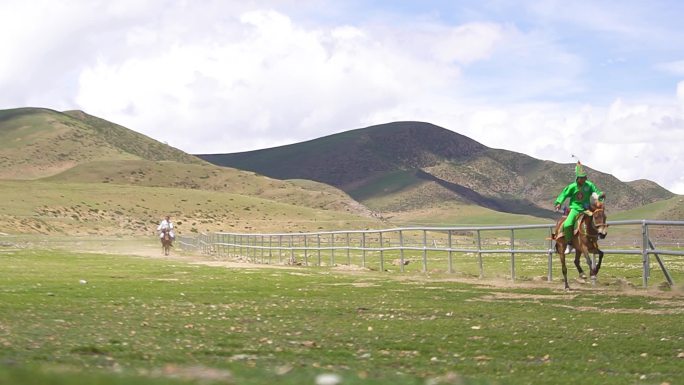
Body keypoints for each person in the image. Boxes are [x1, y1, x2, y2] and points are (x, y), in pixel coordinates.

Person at [554, 161, 605, 254]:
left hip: (586, 208)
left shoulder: (589, 185)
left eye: (584, 178)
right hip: (575, 209)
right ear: (577, 178)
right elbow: (564, 194)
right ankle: (569, 244)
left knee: (596, 220)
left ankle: (594, 239)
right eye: (581, 178)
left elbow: (596, 192)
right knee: (567, 224)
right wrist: (558, 202)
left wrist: (600, 195)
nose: (583, 180)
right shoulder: (572, 187)